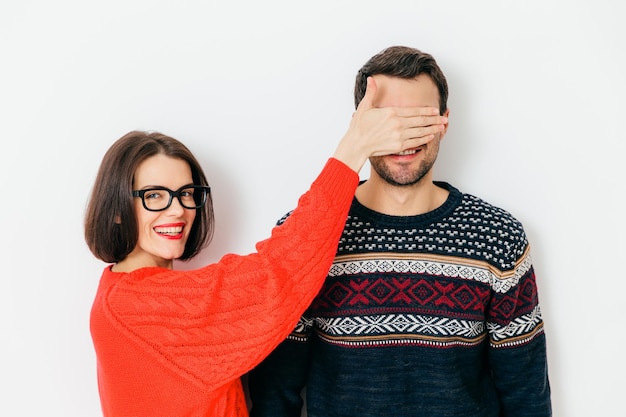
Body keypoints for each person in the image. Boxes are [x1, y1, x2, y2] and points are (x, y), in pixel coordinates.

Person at [84, 83, 448, 417]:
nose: (177, 209)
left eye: (187, 194)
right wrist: (353, 149)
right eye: (154, 196)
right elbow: (281, 271)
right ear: (116, 208)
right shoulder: (137, 308)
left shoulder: (118, 293)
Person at [248, 46, 552, 417]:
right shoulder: (308, 235)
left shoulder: (497, 237)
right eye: (387, 122)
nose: (403, 137)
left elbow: (526, 394)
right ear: (360, 126)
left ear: (445, 121)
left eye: (419, 120)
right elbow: (275, 391)